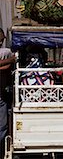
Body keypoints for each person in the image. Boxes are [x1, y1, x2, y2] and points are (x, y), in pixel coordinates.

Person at [0, 29, 16, 157]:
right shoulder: (7, 53)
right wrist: (11, 60)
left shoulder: (5, 52)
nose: (1, 41)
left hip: (2, 94)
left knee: (3, 126)